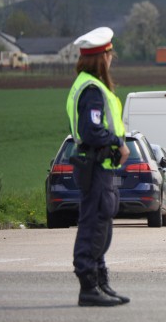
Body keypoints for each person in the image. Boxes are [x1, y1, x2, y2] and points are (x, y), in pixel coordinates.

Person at [66, 27, 130, 306]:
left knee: (101, 224)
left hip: (99, 166)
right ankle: (89, 287)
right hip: (95, 166)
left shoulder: (90, 85)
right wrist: (118, 142)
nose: (111, 58)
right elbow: (92, 131)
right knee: (93, 225)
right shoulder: (92, 89)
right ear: (101, 57)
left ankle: (101, 282)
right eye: (109, 53)